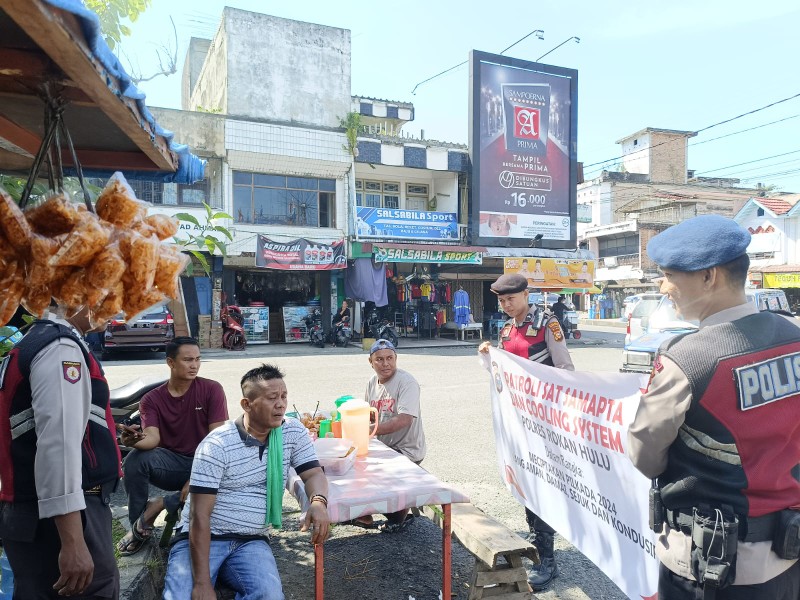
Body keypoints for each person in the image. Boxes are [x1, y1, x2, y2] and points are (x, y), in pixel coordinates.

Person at [628, 215, 800, 599]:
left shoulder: (688, 359)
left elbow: (644, 455)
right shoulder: (793, 337)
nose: (663, 287)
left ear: (709, 277)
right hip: (786, 557)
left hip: (710, 570)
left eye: (669, 275)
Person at [162, 364, 329, 600]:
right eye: (272, 397)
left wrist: (318, 502)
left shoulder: (292, 432)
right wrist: (202, 584)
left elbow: (313, 474)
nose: (281, 404)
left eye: (284, 396)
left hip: (251, 541)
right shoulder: (217, 445)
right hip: (207, 537)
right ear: (246, 404)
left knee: (269, 596)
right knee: (181, 596)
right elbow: (199, 516)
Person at [0, 305, 122, 598]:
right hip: (64, 517)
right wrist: (73, 541)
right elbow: (59, 445)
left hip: (35, 513)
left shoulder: (34, 341)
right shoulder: (60, 348)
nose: (116, 307)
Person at [478, 273, 573, 590]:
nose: (506, 305)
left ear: (526, 294)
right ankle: (536, 547)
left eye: (511, 298)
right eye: (502, 300)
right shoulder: (506, 330)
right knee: (527, 484)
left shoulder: (548, 325)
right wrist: (488, 357)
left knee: (543, 485)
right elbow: (502, 374)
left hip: (543, 422)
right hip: (517, 422)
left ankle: (547, 560)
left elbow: (565, 371)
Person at [116, 337, 228, 556]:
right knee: (134, 460)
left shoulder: (211, 389)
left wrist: (196, 478)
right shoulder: (151, 399)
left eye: (197, 359)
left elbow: (217, 442)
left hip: (208, 463)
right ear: (170, 362)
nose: (194, 365)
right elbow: (152, 439)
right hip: (172, 464)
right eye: (187, 360)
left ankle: (160, 504)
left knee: (233, 470)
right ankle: (139, 526)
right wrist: (131, 441)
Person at [360, 338, 426, 532]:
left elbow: (405, 419)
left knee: (374, 475)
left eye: (390, 358)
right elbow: (369, 415)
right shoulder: (372, 383)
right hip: (384, 447)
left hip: (406, 449)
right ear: (371, 362)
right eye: (379, 359)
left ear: (396, 358)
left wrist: (371, 430)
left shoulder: (407, 382)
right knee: (353, 464)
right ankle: (365, 513)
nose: (385, 363)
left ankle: (399, 515)